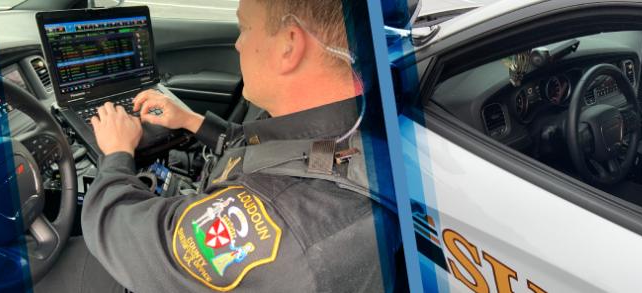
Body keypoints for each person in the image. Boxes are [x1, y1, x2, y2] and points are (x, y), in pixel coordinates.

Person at [35, 0, 399, 292]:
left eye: (244, 28)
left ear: (290, 44)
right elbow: (279, 150)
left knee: (50, 267)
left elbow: (129, 240)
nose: (238, 43)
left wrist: (115, 157)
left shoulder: (275, 223)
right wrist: (192, 122)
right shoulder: (358, 123)